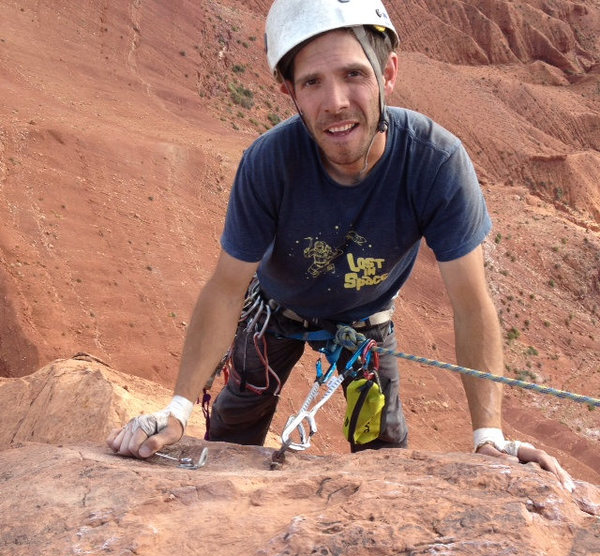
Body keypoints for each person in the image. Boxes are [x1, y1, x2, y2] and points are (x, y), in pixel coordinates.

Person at [108, 0, 574, 491]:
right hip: (275, 307)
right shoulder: (270, 164)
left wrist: (489, 436)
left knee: (383, 455)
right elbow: (226, 288)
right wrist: (179, 409)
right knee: (233, 433)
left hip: (366, 317)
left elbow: (471, 303)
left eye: (354, 74)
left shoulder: (435, 162)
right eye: (312, 82)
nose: (335, 102)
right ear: (288, 90)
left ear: (388, 73)